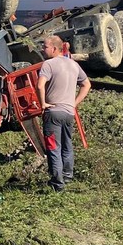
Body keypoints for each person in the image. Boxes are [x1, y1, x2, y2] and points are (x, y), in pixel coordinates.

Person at [37, 35, 90, 192]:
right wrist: (74, 103)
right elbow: (86, 84)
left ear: (54, 48)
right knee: (67, 145)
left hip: (53, 113)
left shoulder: (48, 64)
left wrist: (43, 103)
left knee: (54, 147)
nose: (43, 49)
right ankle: (67, 176)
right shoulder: (73, 65)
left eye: (45, 46)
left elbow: (40, 85)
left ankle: (57, 184)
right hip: (68, 113)